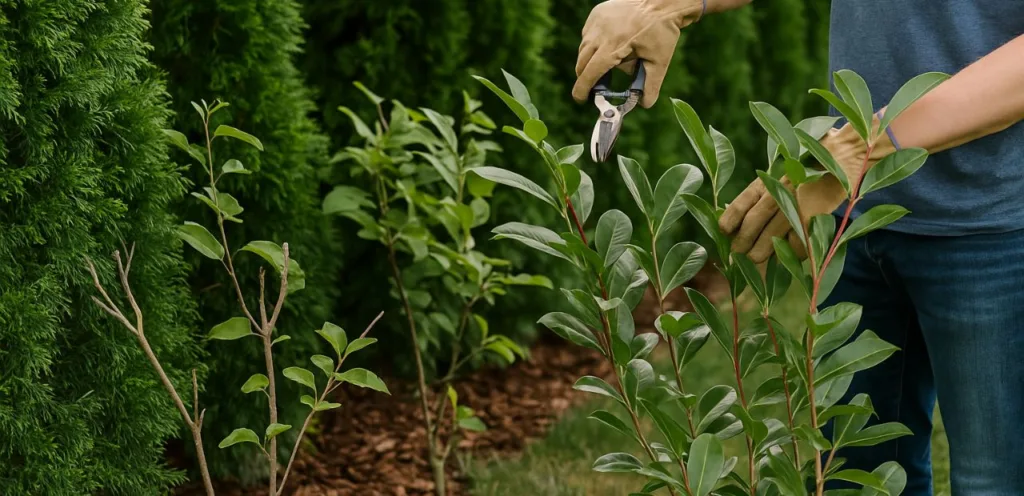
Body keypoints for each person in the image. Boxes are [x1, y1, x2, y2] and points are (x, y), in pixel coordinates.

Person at [572, 1, 1024, 494]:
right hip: (852, 227)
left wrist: (859, 147)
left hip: (994, 229)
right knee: (855, 478)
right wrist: (666, 6)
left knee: (994, 482)